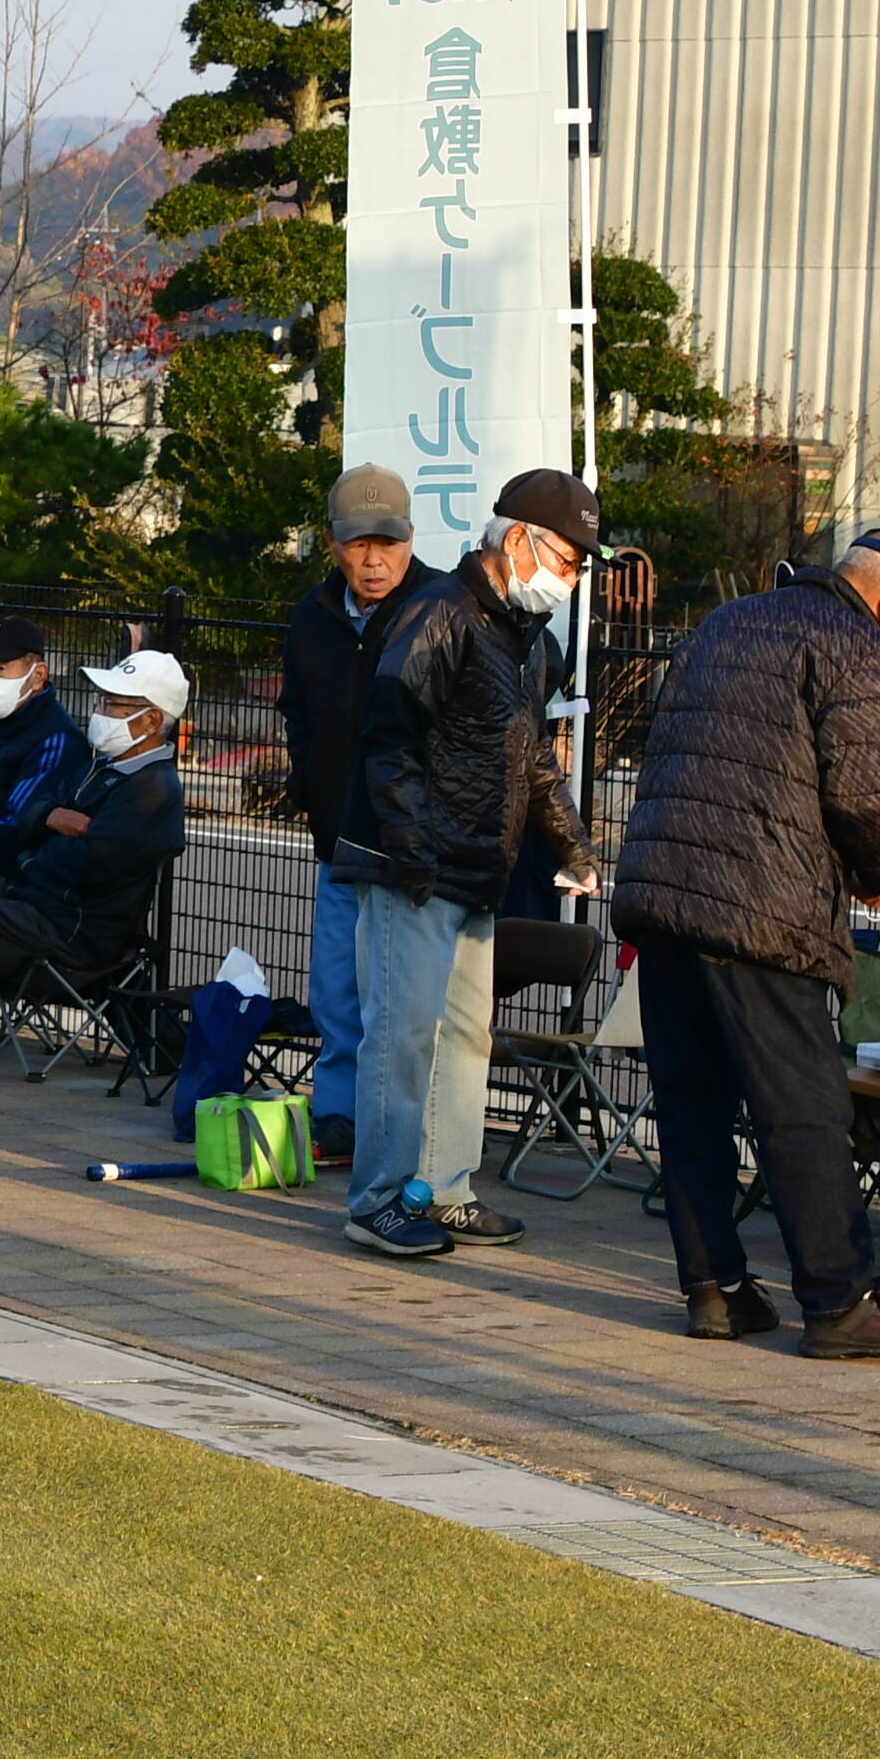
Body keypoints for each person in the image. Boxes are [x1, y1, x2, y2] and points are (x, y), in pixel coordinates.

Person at [614, 526, 880, 1356]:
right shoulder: (859, 645)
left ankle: (715, 1289)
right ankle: (839, 1302)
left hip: (664, 894)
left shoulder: (728, 621)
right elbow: (873, 797)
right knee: (803, 1108)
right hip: (763, 904)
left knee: (692, 1105)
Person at [333, 474, 596, 1260]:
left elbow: (534, 762)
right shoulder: (441, 612)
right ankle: (377, 1200)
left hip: (470, 867)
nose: (572, 576)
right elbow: (390, 738)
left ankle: (444, 1191)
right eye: (568, 557)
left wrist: (573, 845)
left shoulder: (525, 638)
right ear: (517, 541)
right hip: (414, 869)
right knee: (403, 1037)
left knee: (460, 1035)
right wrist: (413, 851)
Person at [279, 464, 456, 1168]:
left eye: (388, 542)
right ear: (332, 543)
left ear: (411, 540)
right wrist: (309, 781)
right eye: (358, 544)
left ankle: (409, 1137)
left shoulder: (443, 606)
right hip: (338, 836)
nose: (373, 559)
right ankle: (339, 1120)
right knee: (337, 994)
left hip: (415, 848)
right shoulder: (313, 614)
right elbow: (296, 708)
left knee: (408, 1009)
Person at [0, 648, 190, 993]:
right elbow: (28, 813)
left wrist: (37, 843)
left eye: (114, 705)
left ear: (152, 720)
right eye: (102, 701)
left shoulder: (153, 790)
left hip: (67, 935)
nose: (100, 712)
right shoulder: (99, 766)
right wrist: (48, 818)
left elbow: (90, 864)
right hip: (32, 902)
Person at [0, 615, 84, 872]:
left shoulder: (56, 740)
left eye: (0, 669)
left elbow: (16, 826)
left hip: (10, 875)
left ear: (38, 675)